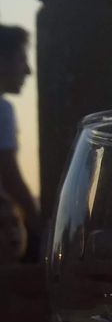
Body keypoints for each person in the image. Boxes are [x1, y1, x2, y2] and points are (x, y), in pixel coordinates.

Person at [0, 24, 41, 262]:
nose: (28, 70)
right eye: (21, 59)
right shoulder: (2, 109)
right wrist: (40, 228)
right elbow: (10, 176)